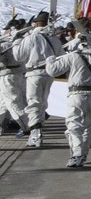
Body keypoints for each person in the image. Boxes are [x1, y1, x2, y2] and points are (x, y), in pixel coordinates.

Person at [46, 21, 91, 167]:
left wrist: (50, 59)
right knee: (88, 126)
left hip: (76, 94)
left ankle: (77, 154)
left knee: (74, 125)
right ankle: (83, 153)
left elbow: (52, 70)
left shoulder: (73, 56)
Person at [15, 12, 62, 149]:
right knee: (42, 103)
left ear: (36, 23)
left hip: (34, 73)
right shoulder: (54, 39)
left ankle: (35, 134)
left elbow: (19, 56)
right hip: (49, 73)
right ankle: (38, 131)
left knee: (34, 103)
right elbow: (61, 57)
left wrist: (17, 41)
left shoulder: (31, 37)